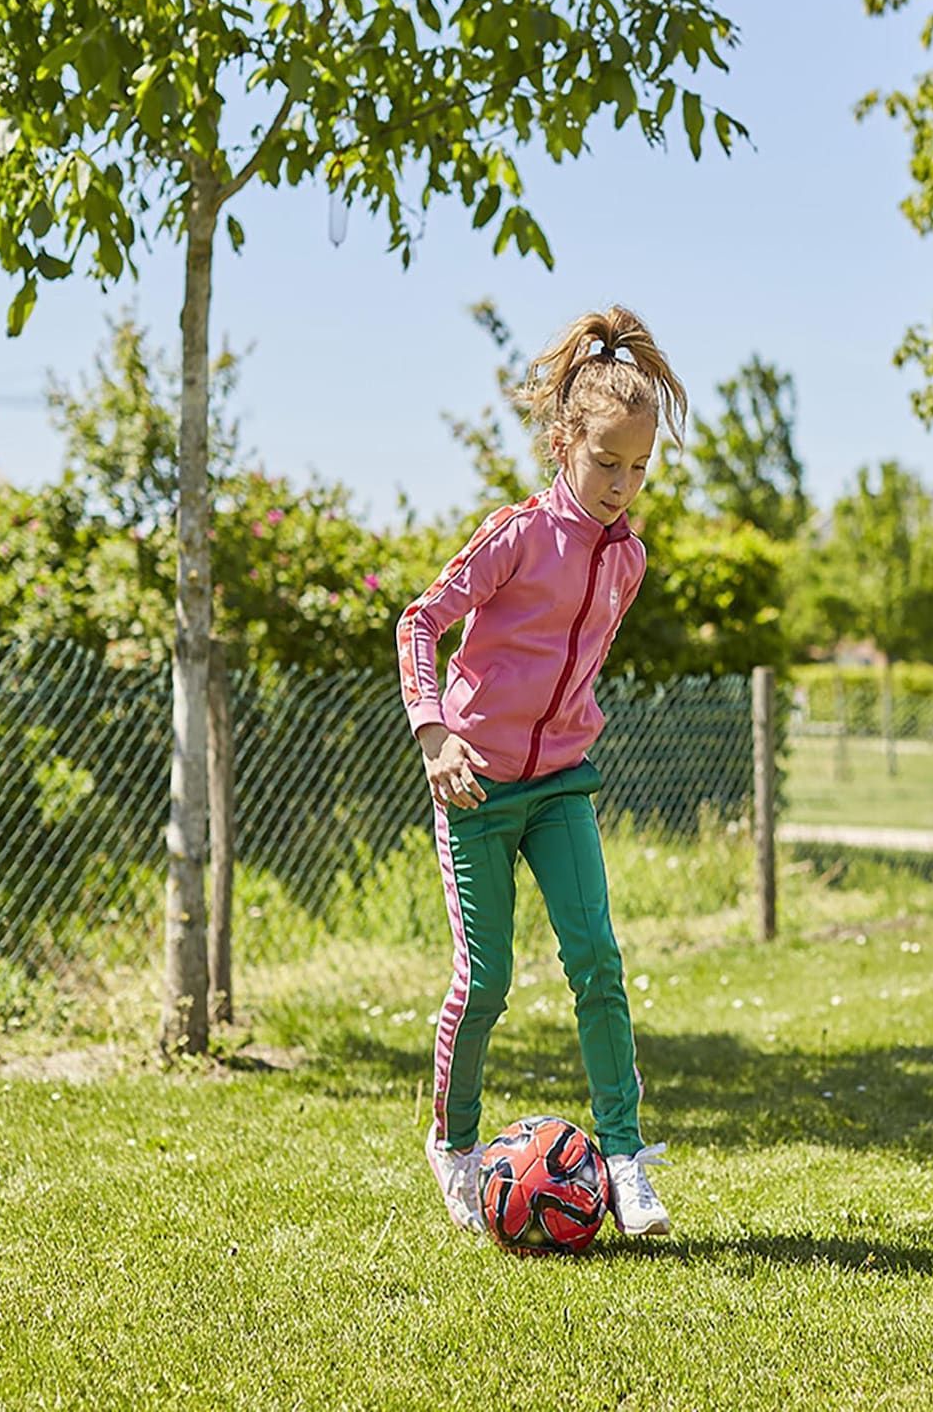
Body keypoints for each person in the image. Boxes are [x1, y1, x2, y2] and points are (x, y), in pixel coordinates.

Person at [396, 305, 684, 1240]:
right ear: (564, 442)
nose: (623, 484)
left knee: (597, 962)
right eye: (607, 463)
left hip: (562, 783)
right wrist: (435, 732)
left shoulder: (628, 558)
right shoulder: (514, 535)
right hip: (474, 785)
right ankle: (457, 1147)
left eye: (640, 468)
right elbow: (420, 622)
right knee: (484, 983)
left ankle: (628, 1156)